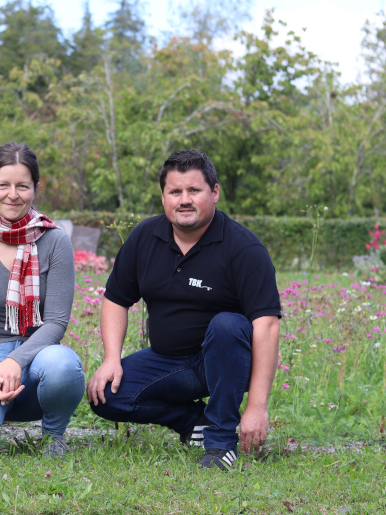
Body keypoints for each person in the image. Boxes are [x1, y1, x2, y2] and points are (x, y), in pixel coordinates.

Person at [86, 149, 281, 470]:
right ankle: (194, 420)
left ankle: (220, 443)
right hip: (168, 363)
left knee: (227, 325)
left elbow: (267, 325)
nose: (184, 200)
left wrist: (257, 407)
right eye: (175, 192)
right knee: (105, 394)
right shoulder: (145, 237)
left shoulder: (243, 248)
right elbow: (116, 299)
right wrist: (111, 359)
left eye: (194, 190)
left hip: (226, 364)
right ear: (163, 196)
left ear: (215, 193)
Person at [0, 142, 84, 456]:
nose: (13, 194)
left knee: (63, 364)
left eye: (23, 186)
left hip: (37, 363)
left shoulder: (55, 241)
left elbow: (57, 322)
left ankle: (53, 436)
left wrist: (14, 362)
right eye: (3, 185)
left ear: (35, 188)